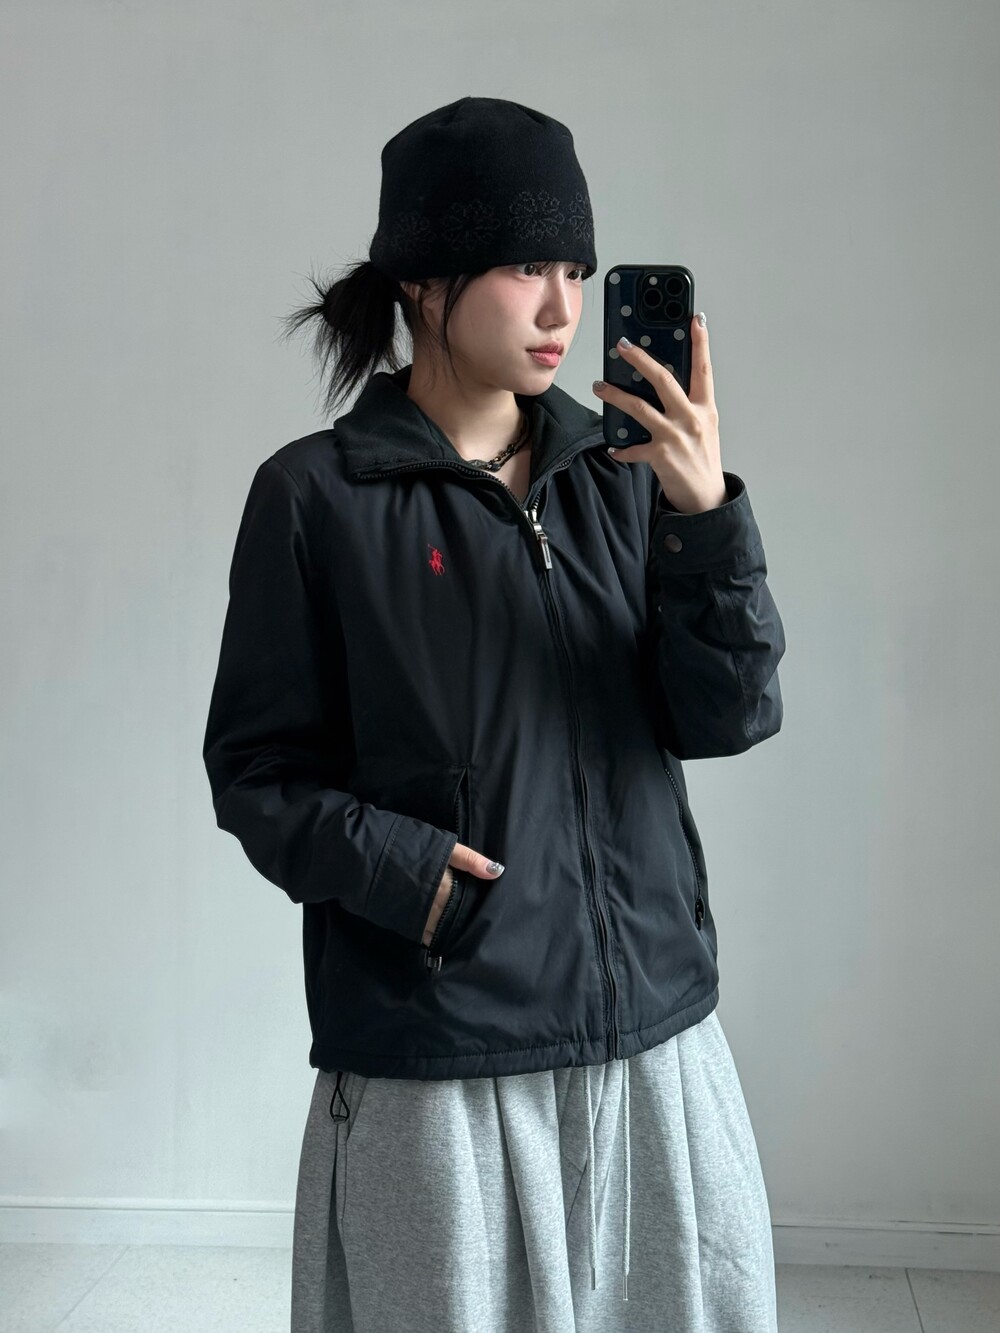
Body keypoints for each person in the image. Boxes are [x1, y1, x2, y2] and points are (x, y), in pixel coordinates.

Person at [202, 96, 786, 1333]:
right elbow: (255, 772)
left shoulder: (626, 480)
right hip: (442, 1047)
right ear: (424, 282)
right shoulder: (314, 498)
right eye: (526, 267)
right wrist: (409, 874)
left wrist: (703, 516)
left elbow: (727, 713)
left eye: (576, 268)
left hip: (651, 1033)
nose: (562, 309)